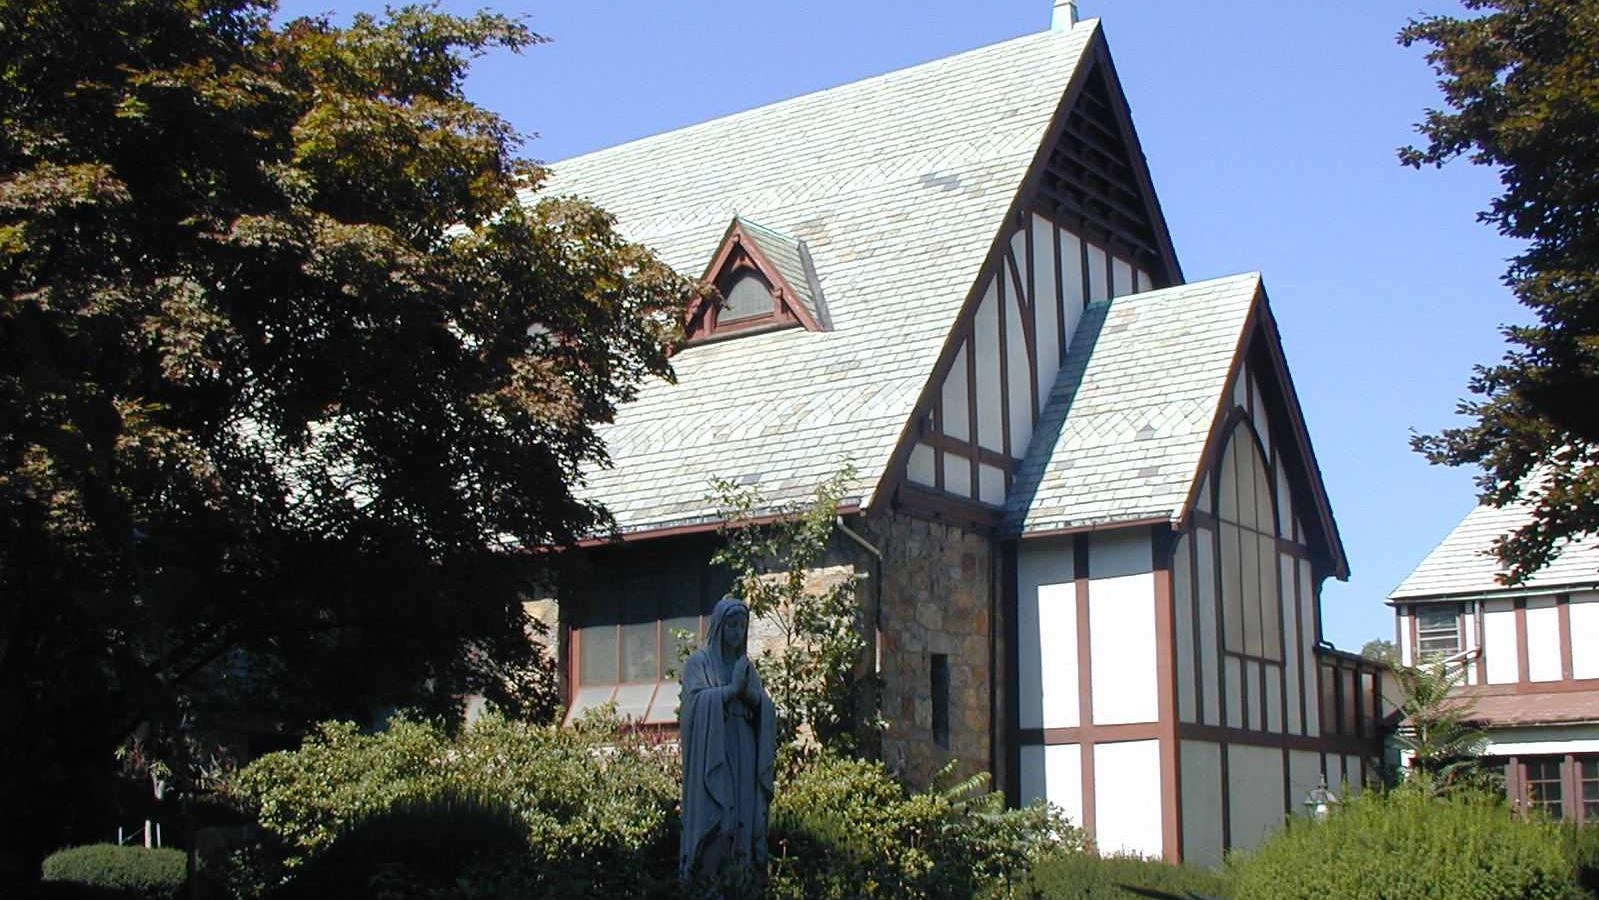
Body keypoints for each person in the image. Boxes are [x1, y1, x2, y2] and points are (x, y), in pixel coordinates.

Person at [678, 596, 775, 885]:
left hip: (743, 743)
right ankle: (709, 880)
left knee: (745, 814)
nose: (736, 632)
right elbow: (693, 705)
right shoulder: (699, 663)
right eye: (732, 625)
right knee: (720, 816)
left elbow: (764, 706)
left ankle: (743, 875)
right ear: (720, 626)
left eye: (742, 626)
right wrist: (730, 691)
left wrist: (751, 697)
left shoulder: (746, 667)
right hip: (714, 749)